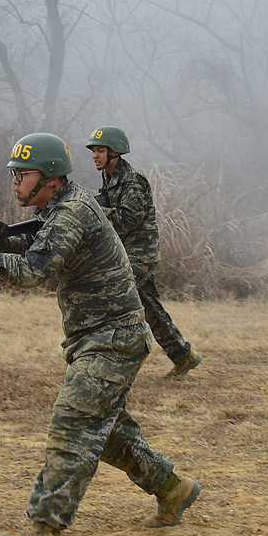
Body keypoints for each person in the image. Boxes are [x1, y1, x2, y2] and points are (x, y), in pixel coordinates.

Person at [0, 133, 200, 536]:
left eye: (24, 174)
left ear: (51, 178)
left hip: (114, 338)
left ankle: (44, 533)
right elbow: (45, 250)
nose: (15, 181)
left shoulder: (71, 211)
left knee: (72, 425)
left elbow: (34, 270)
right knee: (106, 434)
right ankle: (172, 488)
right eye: (13, 173)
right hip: (96, 337)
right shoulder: (59, 207)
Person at [86, 126, 201, 380]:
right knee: (148, 307)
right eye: (94, 150)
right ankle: (184, 356)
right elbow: (107, 203)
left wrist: (94, 211)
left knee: (115, 299)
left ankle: (111, 362)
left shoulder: (132, 180)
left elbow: (130, 218)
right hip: (126, 250)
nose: (95, 155)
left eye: (101, 150)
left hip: (141, 252)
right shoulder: (109, 175)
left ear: (115, 152)